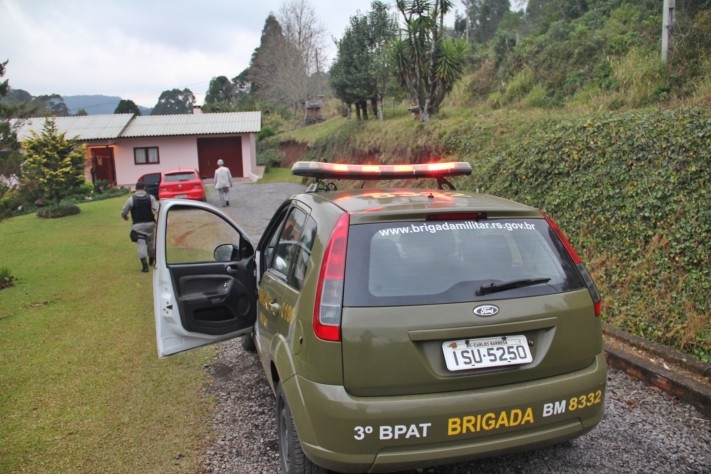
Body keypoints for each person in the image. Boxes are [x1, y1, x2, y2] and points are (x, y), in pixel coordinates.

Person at [121, 181, 159, 272]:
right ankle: (151, 261)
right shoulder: (151, 198)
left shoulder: (131, 199)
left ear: (136, 189)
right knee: (150, 243)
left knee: (141, 244)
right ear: (144, 188)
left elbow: (123, 212)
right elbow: (157, 209)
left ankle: (145, 266)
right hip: (150, 224)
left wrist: (125, 217)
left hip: (138, 225)